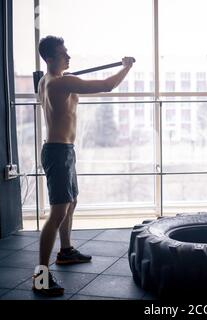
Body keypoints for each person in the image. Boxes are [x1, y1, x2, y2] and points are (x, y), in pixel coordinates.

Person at [33, 35, 135, 296]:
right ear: (50, 58)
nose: (68, 56)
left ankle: (65, 251)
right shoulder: (61, 82)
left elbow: (54, 98)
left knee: (71, 201)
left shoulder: (47, 81)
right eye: (63, 53)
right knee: (57, 213)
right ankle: (40, 276)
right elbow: (107, 85)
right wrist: (126, 66)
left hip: (63, 150)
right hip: (57, 152)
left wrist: (68, 78)